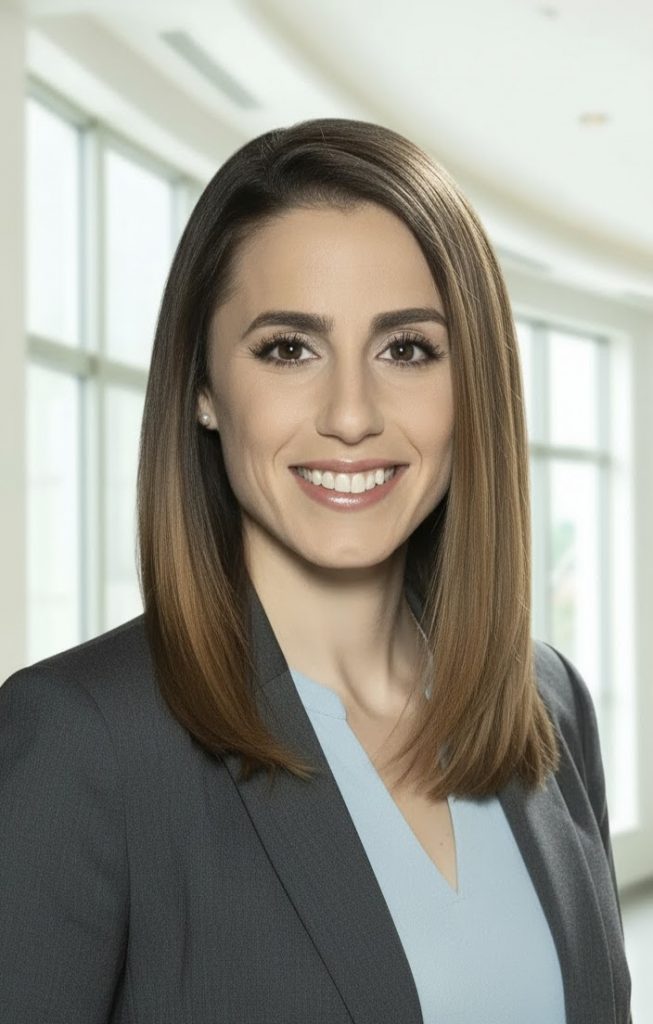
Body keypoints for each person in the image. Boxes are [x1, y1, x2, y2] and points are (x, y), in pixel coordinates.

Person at [0, 118, 631, 1023]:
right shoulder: (82, 745)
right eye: (288, 348)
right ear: (203, 389)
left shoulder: (547, 702)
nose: (349, 414)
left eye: (405, 349)